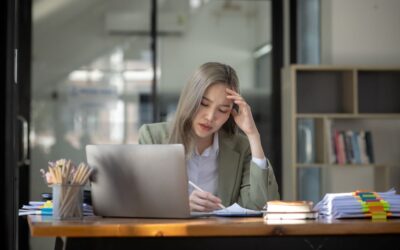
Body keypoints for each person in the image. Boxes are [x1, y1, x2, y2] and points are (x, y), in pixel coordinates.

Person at [138, 62, 279, 212]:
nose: (210, 117)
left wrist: (253, 135)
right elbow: (139, 200)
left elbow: (259, 205)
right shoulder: (153, 137)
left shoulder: (241, 148)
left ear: (231, 113)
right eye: (204, 104)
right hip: (168, 234)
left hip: (219, 234)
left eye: (223, 110)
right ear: (190, 99)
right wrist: (181, 205)